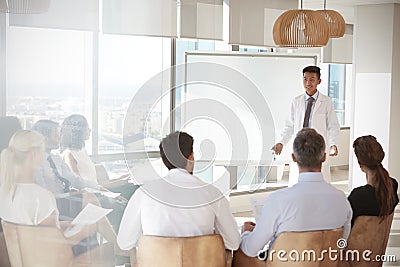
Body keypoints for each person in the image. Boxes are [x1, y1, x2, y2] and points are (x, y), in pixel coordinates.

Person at [117, 131, 240, 251]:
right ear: (191, 157)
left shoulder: (144, 193)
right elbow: (233, 243)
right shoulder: (213, 194)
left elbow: (124, 243)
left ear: (164, 161)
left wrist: (150, 241)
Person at [240, 128, 352, 258]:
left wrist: (246, 233)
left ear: (293, 158)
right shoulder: (342, 200)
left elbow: (250, 250)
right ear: (324, 157)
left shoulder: (278, 201)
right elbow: (342, 245)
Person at [0, 130, 98, 255]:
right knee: (98, 253)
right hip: (45, 260)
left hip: (21, 260)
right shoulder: (41, 197)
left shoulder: (5, 191)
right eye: (42, 151)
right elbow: (54, 247)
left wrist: (59, 225)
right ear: (34, 154)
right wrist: (84, 232)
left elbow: (31, 231)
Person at [273, 66, 340, 186]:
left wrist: (333, 144)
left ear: (319, 81)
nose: (308, 83)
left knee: (319, 181)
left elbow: (333, 125)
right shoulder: (296, 101)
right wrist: (281, 142)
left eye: (312, 79)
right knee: (298, 180)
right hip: (300, 145)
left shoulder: (326, 102)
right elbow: (289, 125)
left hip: (317, 146)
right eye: (305, 79)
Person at [60, 114, 137, 201]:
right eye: (86, 128)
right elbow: (79, 185)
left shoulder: (81, 151)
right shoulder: (69, 154)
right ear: (78, 131)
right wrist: (112, 192)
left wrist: (120, 180)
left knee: (135, 188)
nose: (90, 130)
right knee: (131, 196)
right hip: (92, 197)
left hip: (98, 191)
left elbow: (94, 183)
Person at [348, 135, 399, 226]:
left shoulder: (358, 197)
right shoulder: (392, 185)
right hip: (381, 240)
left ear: (360, 165)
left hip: (356, 240)